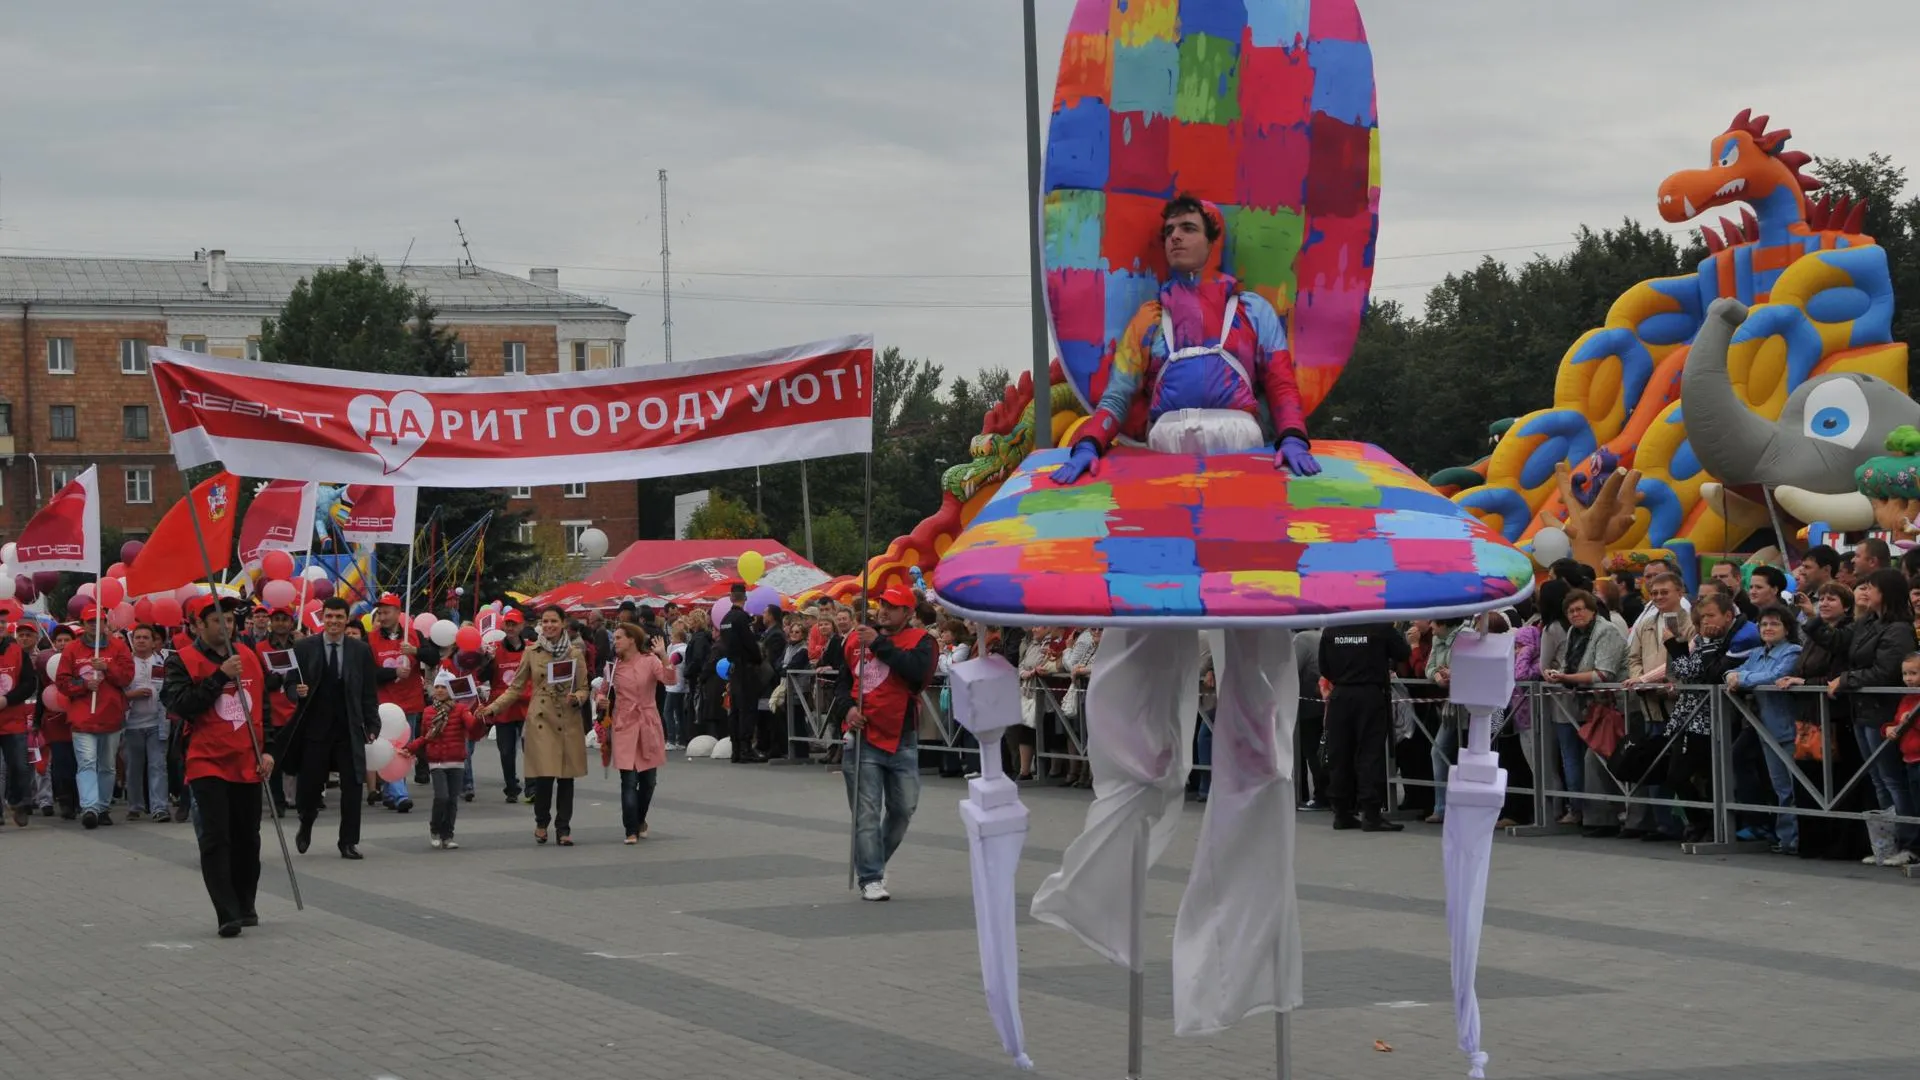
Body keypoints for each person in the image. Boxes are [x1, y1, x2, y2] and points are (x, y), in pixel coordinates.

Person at [161, 595, 271, 938]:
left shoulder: (249, 656)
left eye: (230, 618)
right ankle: (226, 912)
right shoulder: (182, 660)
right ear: (197, 625)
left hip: (247, 760)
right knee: (216, 837)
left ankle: (245, 902)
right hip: (207, 760)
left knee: (247, 839)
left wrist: (270, 752)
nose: (227, 625)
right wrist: (217, 678)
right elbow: (180, 704)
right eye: (216, 619)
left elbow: (264, 708)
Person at [841, 586, 936, 900]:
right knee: (867, 812)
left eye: (892, 607)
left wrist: (880, 645)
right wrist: (848, 708)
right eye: (882, 604)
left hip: (903, 740)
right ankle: (871, 877)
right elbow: (841, 683)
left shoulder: (923, 642)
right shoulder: (855, 639)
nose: (883, 611)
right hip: (863, 738)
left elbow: (916, 673)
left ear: (908, 613)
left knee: (903, 808)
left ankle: (873, 861)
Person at [276, 597, 380, 860]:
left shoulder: (360, 650)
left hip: (348, 728)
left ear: (347, 620)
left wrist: (372, 724)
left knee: (353, 787)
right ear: (322, 618)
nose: (334, 622)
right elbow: (289, 683)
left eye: (339, 617)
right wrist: (295, 692)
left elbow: (369, 691)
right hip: (315, 728)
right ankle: (306, 823)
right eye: (330, 616)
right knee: (309, 788)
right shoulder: (304, 647)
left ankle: (348, 842)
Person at [483, 606, 589, 845]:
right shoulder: (532, 651)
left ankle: (564, 828)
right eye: (545, 621)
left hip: (568, 718)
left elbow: (584, 687)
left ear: (562, 623)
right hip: (542, 718)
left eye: (554, 621)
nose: (549, 625)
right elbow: (516, 687)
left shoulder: (574, 653)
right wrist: (493, 708)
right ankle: (542, 822)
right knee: (545, 775)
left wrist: (579, 698)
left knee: (566, 777)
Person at [1318, 623, 1413, 831]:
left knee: (1340, 753)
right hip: (1370, 694)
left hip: (1341, 695)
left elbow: (1324, 667)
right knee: (1370, 753)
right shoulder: (1379, 625)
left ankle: (1342, 812)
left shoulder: (1331, 629)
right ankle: (1371, 813)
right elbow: (1402, 652)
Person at [597, 623, 675, 844]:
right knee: (628, 780)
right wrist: (600, 700)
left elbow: (670, 680)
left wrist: (664, 656)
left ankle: (640, 819)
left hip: (648, 723)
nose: (615, 641)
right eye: (615, 638)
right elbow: (602, 690)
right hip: (623, 724)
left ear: (632, 639)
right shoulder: (612, 667)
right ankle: (630, 829)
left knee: (649, 781)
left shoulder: (649, 661)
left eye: (619, 637)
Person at [59, 607, 135, 829]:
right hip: (83, 719)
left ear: (106, 623)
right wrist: (83, 685)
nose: (95, 625)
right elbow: (62, 682)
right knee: (87, 763)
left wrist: (107, 667)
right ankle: (90, 807)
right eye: (90, 621)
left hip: (111, 717)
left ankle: (102, 807)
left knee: (108, 766)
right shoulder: (72, 649)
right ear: (83, 624)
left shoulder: (119, 647)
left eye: (99, 621)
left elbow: (127, 677)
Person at [398, 671, 490, 849]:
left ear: (451, 690)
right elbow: (425, 737)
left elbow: (473, 729)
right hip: (437, 761)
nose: (439, 690)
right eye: (437, 687)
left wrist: (479, 718)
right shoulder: (428, 711)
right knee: (442, 797)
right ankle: (435, 828)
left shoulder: (461, 709)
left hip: (456, 760)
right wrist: (410, 748)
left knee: (452, 800)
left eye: (444, 687)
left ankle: (448, 835)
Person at [123, 625, 170, 821]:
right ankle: (135, 805)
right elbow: (116, 693)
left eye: (146, 637)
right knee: (134, 767)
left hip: (156, 723)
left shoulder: (163, 662)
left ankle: (159, 807)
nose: (141, 640)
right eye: (138, 637)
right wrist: (131, 695)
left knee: (158, 765)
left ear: (153, 642)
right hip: (132, 724)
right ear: (133, 641)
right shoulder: (125, 664)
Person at [719, 581, 766, 763]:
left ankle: (736, 750)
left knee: (735, 710)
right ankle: (746, 749)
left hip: (733, 667)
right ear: (745, 598)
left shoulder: (725, 620)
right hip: (746, 668)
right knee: (747, 709)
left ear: (731, 597)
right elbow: (750, 644)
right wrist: (758, 659)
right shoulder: (742, 619)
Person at [0, 622, 39, 826]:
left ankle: (17, 801)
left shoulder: (17, 652)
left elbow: (29, 683)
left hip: (13, 719)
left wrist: (8, 699)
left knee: (19, 766)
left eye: (1, 623)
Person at [489, 610, 530, 802]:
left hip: (526, 706)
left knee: (530, 749)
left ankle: (532, 786)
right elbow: (483, 675)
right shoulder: (494, 649)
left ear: (522, 626)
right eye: (508, 624)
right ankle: (511, 787)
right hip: (503, 707)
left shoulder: (531, 649)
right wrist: (486, 660)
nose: (511, 628)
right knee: (506, 751)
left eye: (514, 624)